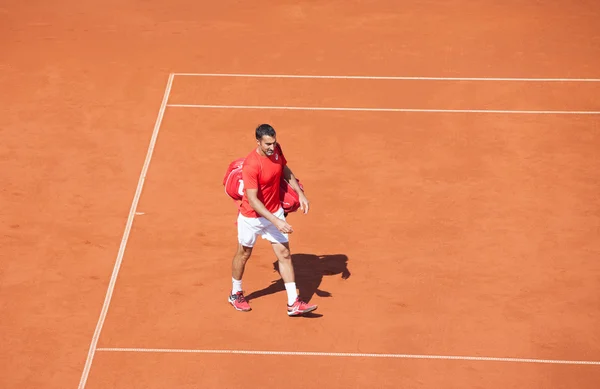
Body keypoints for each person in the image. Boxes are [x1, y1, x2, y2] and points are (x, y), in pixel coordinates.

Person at [228, 124, 318, 316]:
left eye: (274, 142)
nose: (272, 147)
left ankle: (293, 302)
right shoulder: (252, 165)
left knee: (284, 254)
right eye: (268, 144)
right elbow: (252, 200)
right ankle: (235, 293)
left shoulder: (276, 150)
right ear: (258, 142)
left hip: (274, 211)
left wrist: (300, 193)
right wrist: (277, 222)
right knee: (243, 254)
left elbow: (285, 169)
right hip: (251, 217)